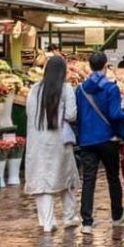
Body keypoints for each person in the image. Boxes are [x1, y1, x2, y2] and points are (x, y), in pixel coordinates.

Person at [76, 51, 124, 234]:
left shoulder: (80, 89)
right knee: (112, 177)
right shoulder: (111, 88)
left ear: (89, 65)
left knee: (88, 179)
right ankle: (116, 215)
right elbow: (115, 114)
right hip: (107, 138)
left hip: (86, 139)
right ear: (105, 65)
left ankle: (86, 221)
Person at [25, 56, 80, 233]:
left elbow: (29, 112)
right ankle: (69, 216)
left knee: (42, 180)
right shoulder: (66, 89)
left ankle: (47, 221)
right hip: (59, 141)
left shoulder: (34, 89)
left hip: (37, 141)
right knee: (65, 178)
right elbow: (72, 115)